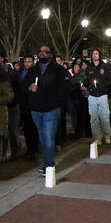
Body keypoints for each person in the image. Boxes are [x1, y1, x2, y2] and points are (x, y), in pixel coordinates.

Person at [24, 45, 69, 173]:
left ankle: (48, 166)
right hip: (36, 109)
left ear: (51, 54)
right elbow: (24, 85)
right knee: (43, 137)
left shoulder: (58, 70)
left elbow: (65, 88)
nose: (43, 54)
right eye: (41, 52)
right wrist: (29, 87)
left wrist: (59, 105)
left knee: (48, 137)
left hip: (51, 109)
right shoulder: (33, 70)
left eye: (46, 52)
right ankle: (47, 161)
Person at [83, 49, 111, 144]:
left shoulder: (105, 67)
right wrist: (85, 85)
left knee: (104, 117)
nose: (94, 55)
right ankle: (97, 137)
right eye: (93, 54)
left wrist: (103, 86)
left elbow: (110, 80)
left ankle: (107, 136)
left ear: (99, 55)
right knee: (93, 118)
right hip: (92, 96)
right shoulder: (88, 68)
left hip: (102, 95)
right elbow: (86, 80)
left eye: (96, 54)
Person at [17, 54, 39, 159]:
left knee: (32, 128)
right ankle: (29, 148)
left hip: (32, 103)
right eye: (25, 61)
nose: (27, 63)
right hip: (23, 104)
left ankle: (33, 149)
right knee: (26, 128)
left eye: (29, 61)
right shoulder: (20, 73)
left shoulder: (35, 72)